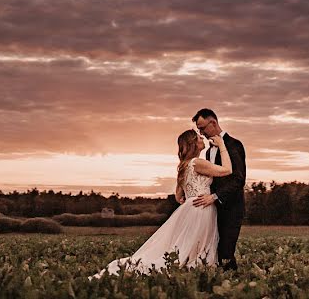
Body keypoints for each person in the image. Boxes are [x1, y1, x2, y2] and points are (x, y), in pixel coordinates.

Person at [91, 128, 232, 277]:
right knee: (196, 245)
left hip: (191, 208)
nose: (202, 139)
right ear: (193, 143)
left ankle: (189, 270)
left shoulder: (184, 165)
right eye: (199, 138)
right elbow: (227, 170)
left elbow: (179, 197)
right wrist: (222, 145)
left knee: (186, 244)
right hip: (201, 208)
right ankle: (195, 272)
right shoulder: (197, 162)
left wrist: (190, 196)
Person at [191, 108, 246, 270]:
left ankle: (233, 286)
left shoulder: (234, 144)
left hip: (232, 209)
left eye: (202, 128)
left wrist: (215, 196)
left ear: (213, 122)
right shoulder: (208, 152)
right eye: (198, 129)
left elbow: (238, 179)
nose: (201, 133)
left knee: (226, 252)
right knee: (215, 251)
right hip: (213, 210)